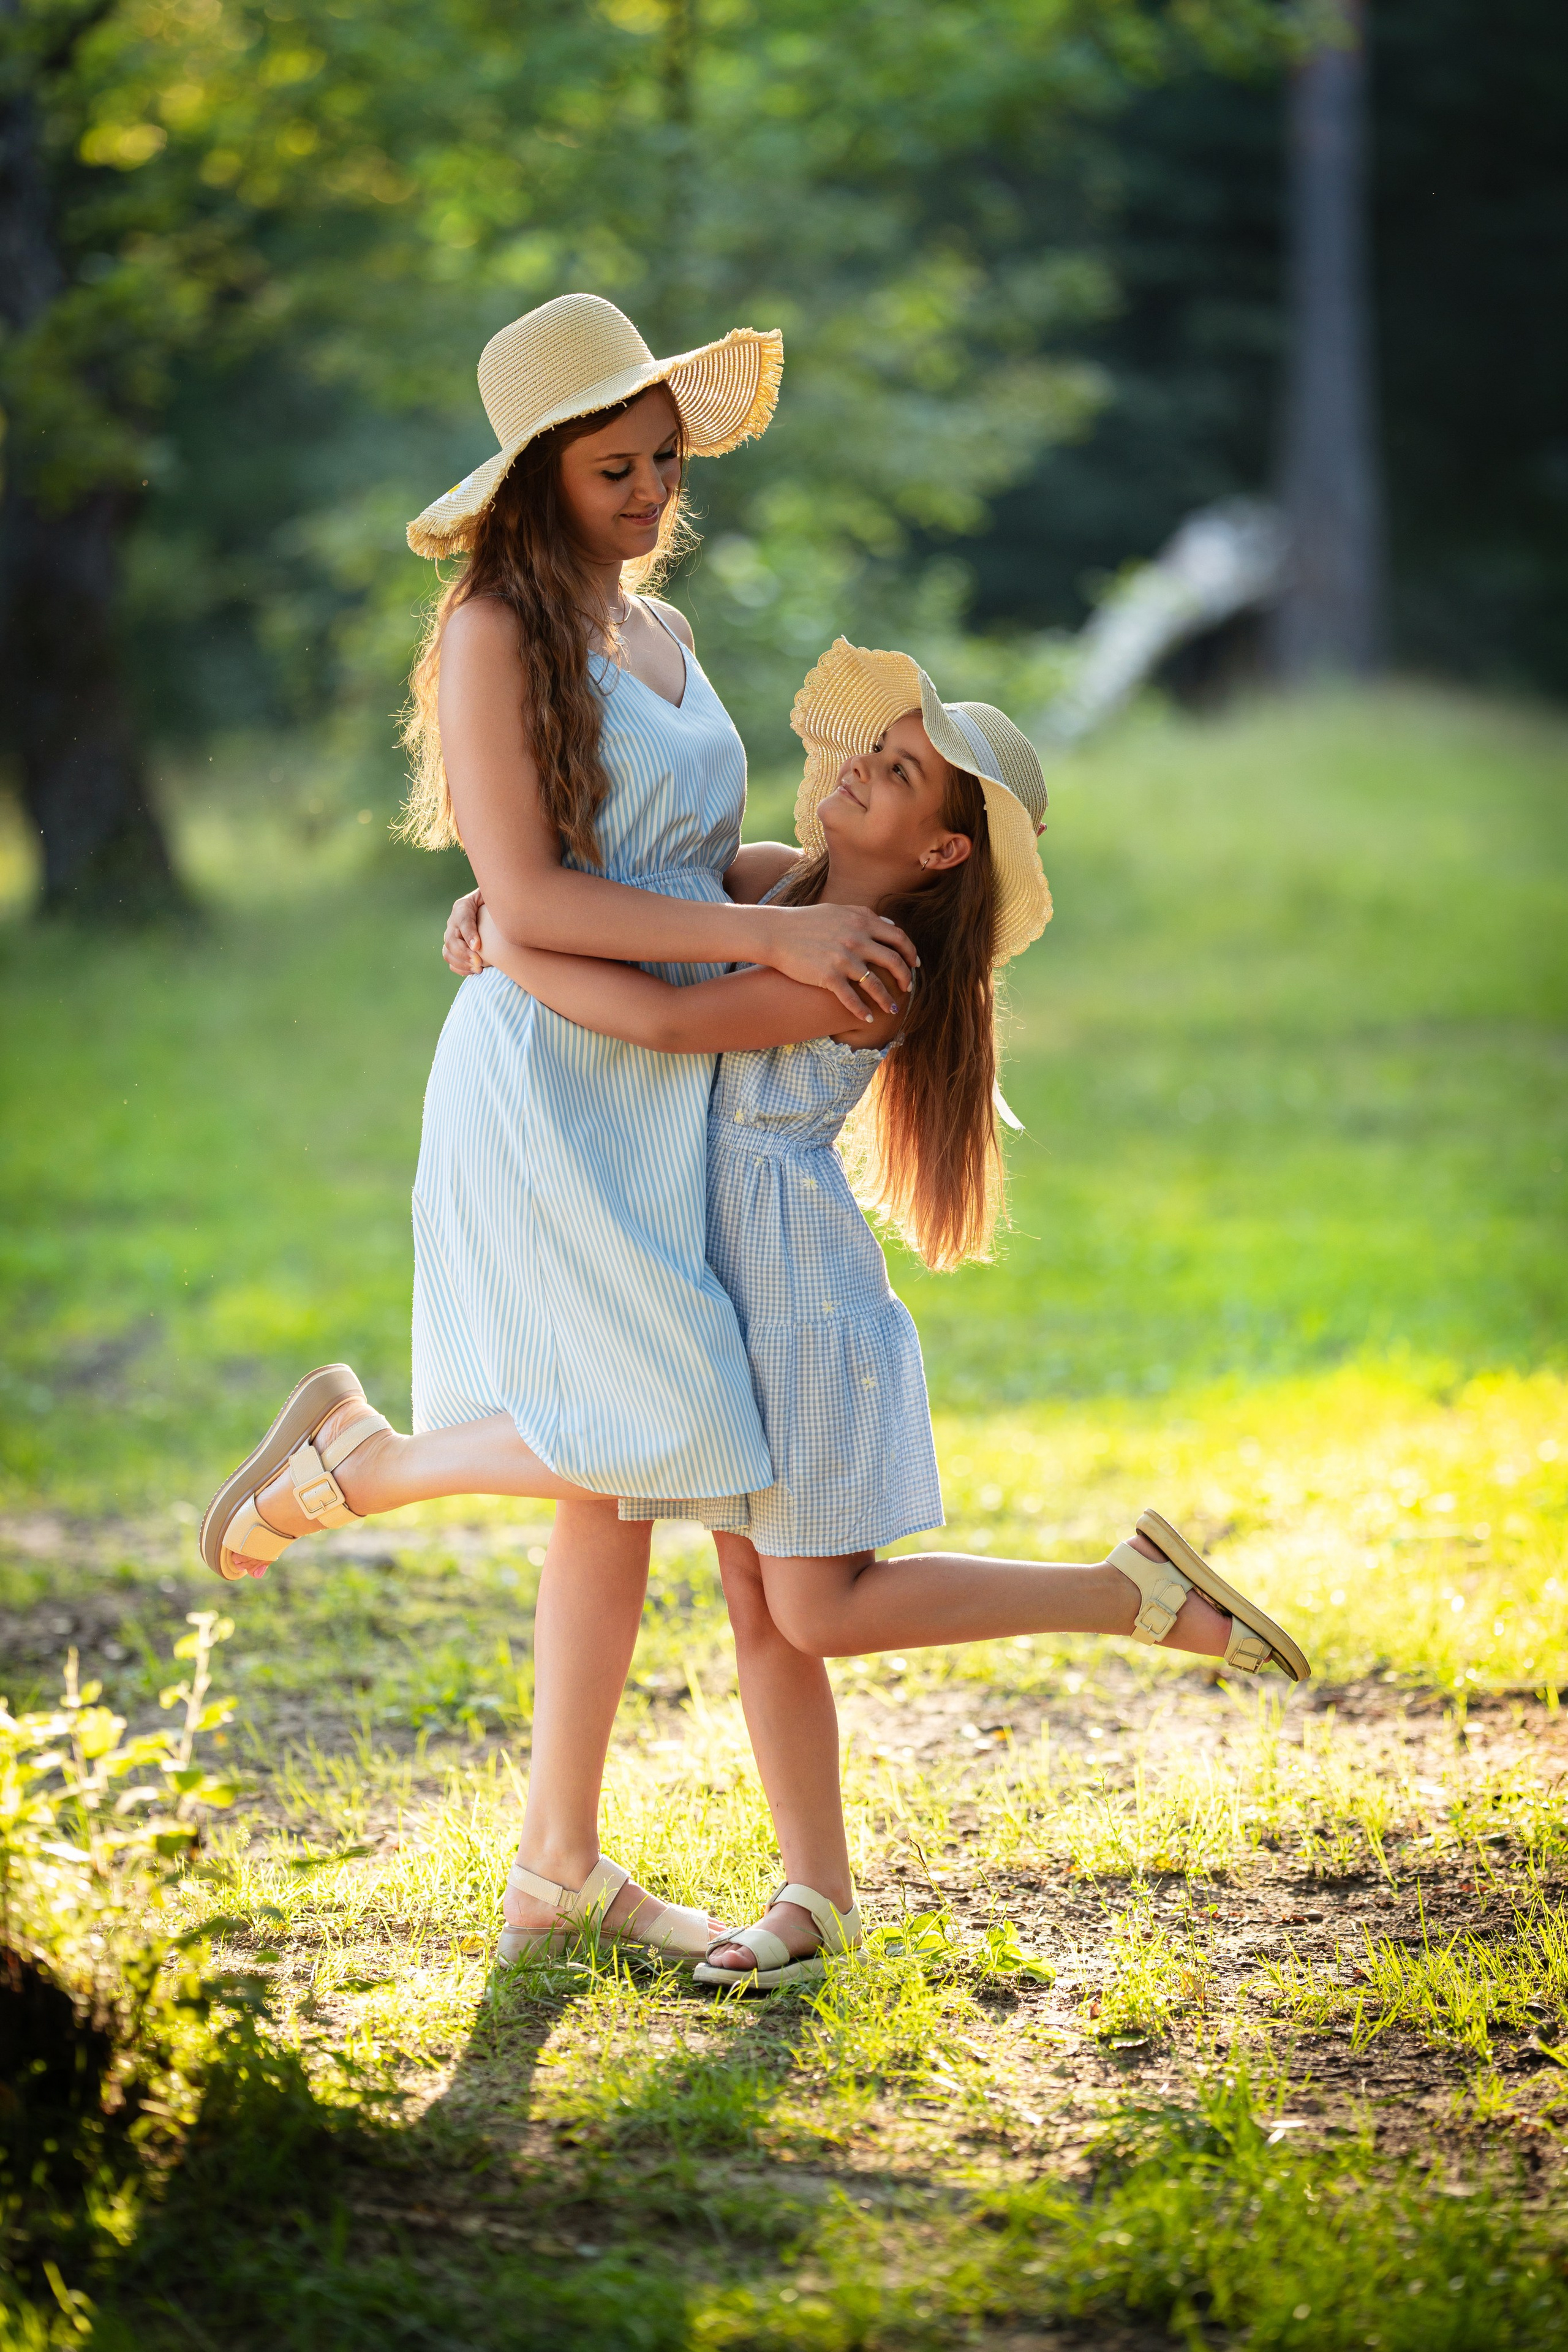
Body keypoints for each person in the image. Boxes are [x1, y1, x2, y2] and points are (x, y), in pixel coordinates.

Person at [197, 298, 920, 1970]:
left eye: (667, 460)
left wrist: (824, 908)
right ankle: (360, 1466)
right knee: (647, 1429)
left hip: (665, 1084)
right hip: (553, 1071)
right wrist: (771, 943)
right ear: (535, 478)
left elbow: (684, 871)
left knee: (611, 1493)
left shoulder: (653, 633)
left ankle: (553, 1868)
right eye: (616, 468)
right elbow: (528, 897)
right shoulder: (494, 635)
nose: (654, 492)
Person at [448, 638, 1312, 1989]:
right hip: (731, 1290)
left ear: (942, 855)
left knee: (817, 1614)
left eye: (897, 771)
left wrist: (508, 942)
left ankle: (1117, 1591)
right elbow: (629, 905)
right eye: (870, 750)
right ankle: (817, 1899)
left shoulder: (869, 968)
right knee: (754, 1608)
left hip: (796, 1307)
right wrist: (501, 903)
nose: (857, 770)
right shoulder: (782, 892)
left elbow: (666, 1027)